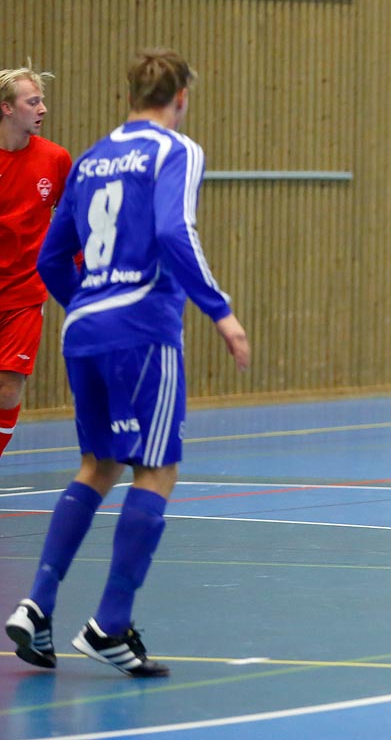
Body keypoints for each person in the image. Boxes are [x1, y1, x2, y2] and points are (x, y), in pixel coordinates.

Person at [5, 48, 251, 677]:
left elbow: (51, 260)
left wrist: (88, 307)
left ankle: (37, 605)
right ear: (181, 96)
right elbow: (175, 232)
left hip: (84, 328)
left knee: (99, 463)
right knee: (158, 468)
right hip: (143, 326)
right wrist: (220, 310)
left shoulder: (87, 157)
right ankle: (110, 624)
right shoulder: (177, 149)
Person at [0, 66, 72, 461]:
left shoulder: (55, 159)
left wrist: (80, 277)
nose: (42, 109)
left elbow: (72, 221)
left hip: (25, 293)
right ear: (7, 109)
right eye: (33, 102)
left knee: (9, 386)